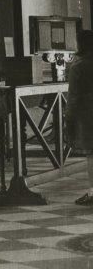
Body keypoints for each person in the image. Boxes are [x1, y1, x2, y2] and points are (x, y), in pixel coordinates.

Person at [66, 28, 93, 205]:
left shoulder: (79, 65)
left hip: (88, 113)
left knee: (92, 154)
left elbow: (73, 97)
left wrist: (69, 120)